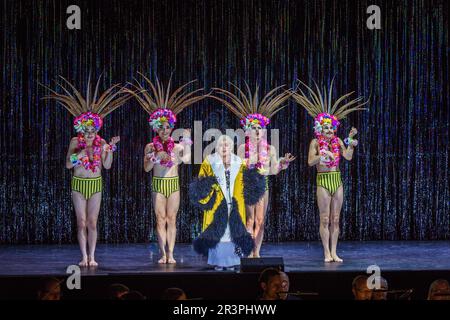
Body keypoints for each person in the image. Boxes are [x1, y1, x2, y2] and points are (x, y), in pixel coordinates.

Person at [43, 75, 129, 267]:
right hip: (79, 183)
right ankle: (83, 257)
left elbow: (106, 166)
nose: (90, 134)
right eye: (87, 131)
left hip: (95, 184)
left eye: (93, 131)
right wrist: (79, 154)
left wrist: (110, 151)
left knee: (92, 222)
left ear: (97, 130)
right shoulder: (75, 142)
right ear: (82, 129)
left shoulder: (102, 143)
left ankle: (92, 256)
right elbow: (68, 165)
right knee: (81, 222)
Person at [126, 74, 205, 264]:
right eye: (160, 128)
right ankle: (163, 254)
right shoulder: (150, 146)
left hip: (173, 184)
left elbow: (186, 159)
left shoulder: (177, 147)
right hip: (158, 184)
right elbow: (146, 169)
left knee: (172, 218)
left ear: (171, 128)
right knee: (160, 219)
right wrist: (154, 158)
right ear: (155, 129)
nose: (164, 131)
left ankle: (171, 254)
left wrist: (186, 142)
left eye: (167, 127)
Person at [210, 83, 295, 257]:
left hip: (263, 183)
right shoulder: (242, 148)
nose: (257, 131)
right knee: (250, 220)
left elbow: (272, 171)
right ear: (248, 130)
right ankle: (248, 251)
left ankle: (257, 251)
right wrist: (251, 160)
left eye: (260, 128)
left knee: (260, 221)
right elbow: (237, 167)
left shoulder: (270, 149)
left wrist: (282, 164)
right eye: (253, 128)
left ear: (264, 130)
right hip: (249, 183)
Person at [292, 79, 368, 262]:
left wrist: (350, 142)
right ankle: (326, 252)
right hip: (323, 180)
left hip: (336, 179)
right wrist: (322, 154)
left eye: (332, 128)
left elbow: (348, 157)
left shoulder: (338, 141)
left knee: (335, 219)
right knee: (325, 218)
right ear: (320, 128)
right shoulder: (315, 143)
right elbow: (310, 162)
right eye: (326, 128)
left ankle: (334, 251)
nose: (330, 130)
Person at [189, 135, 266, 270]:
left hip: (235, 205)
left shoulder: (239, 162)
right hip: (217, 205)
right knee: (219, 233)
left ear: (231, 147)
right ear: (216, 147)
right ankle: (218, 262)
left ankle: (233, 261)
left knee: (233, 233)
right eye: (220, 145)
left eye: (227, 145)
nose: (224, 147)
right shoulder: (210, 161)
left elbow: (248, 181)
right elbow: (201, 182)